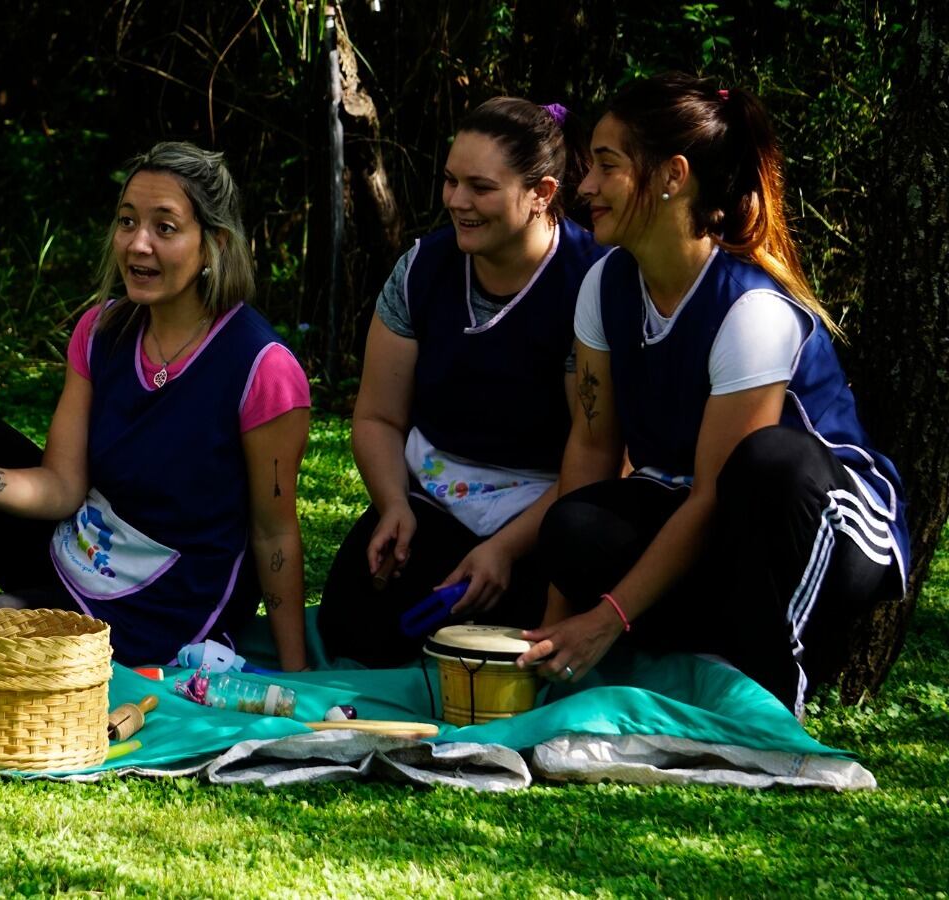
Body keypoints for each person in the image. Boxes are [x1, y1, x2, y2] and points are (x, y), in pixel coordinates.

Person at [518, 74, 907, 715]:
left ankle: (773, 691)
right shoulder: (603, 286)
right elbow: (591, 449)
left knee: (767, 465)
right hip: (704, 508)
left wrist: (608, 618)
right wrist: (554, 624)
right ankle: (700, 649)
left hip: (832, 521)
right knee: (573, 525)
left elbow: (716, 494)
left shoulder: (751, 308)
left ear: (674, 176)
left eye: (607, 167)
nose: (584, 187)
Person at [0, 142, 311, 671]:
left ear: (213, 246)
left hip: (161, 613)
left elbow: (274, 531)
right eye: (127, 221)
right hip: (75, 549)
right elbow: (63, 486)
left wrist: (296, 673)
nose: (138, 244)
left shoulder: (262, 368)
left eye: (165, 228)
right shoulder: (101, 331)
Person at [317, 98, 604, 667]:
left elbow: (597, 455)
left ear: (542, 194)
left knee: (506, 644)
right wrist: (393, 503)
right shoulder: (422, 268)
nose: (456, 201)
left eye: (480, 188)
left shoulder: (590, 283)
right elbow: (378, 416)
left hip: (544, 512)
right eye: (450, 182)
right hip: (434, 498)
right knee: (354, 623)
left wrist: (503, 549)